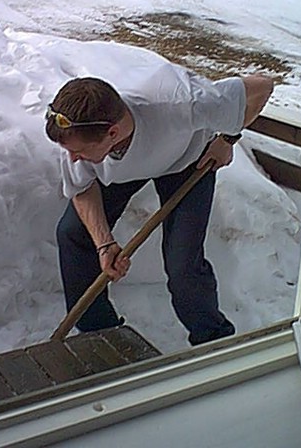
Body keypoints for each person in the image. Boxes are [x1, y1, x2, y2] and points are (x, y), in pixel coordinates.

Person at [45, 64, 274, 346]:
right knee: (73, 233)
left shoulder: (184, 103)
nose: (73, 159)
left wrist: (227, 139)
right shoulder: (80, 143)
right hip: (120, 169)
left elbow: (263, 85)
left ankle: (212, 340)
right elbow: (81, 189)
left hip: (187, 161)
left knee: (183, 267)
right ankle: (98, 334)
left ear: (113, 132)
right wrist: (104, 244)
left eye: (78, 152)